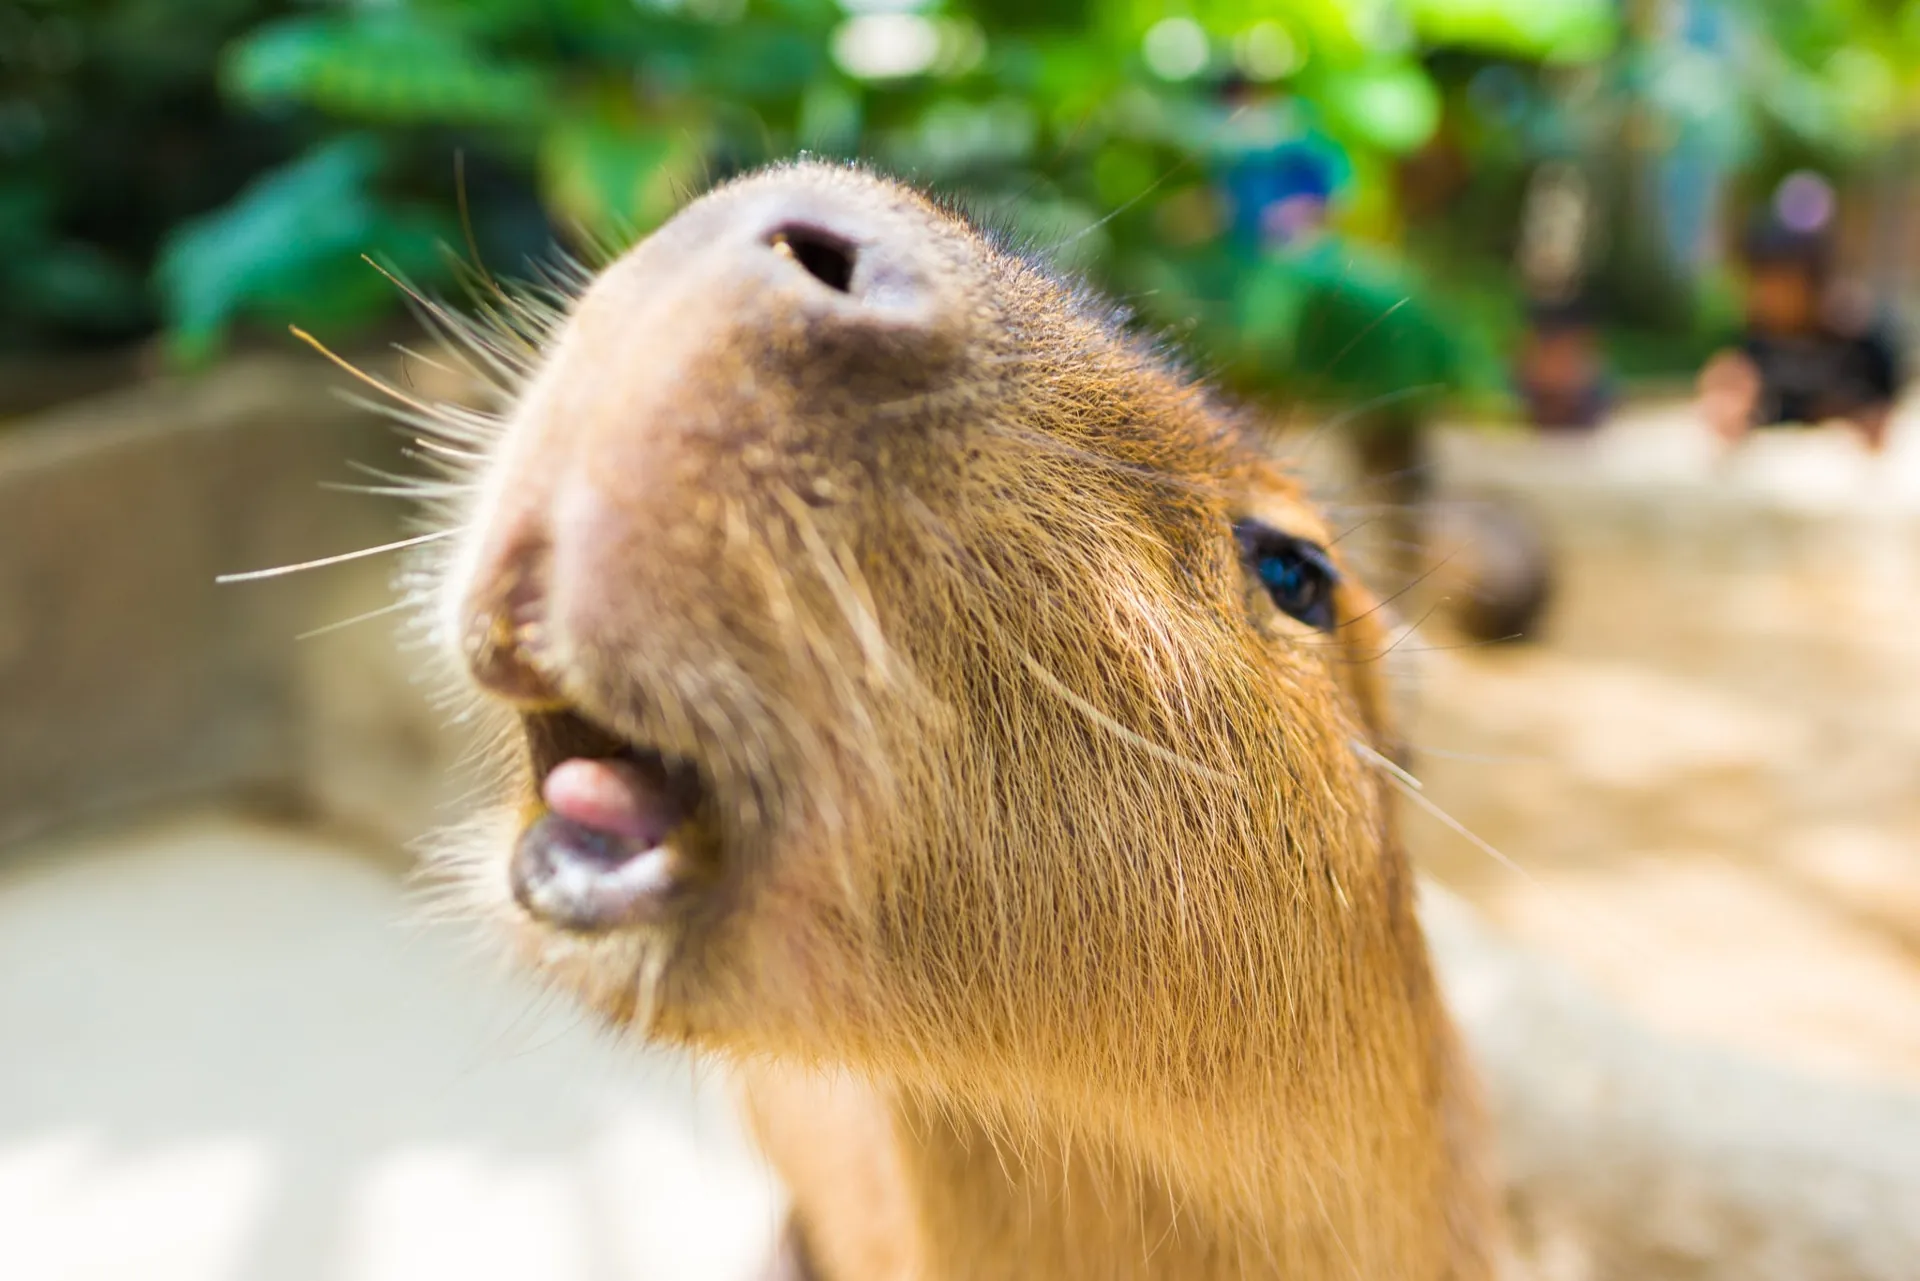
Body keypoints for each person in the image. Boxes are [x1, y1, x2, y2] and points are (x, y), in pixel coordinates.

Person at [1697, 216, 1904, 453]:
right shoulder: (1752, 352)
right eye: (1764, 282)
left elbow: (1880, 417)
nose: (1772, 296)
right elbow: (1728, 399)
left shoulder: (1859, 349)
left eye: (1784, 282)